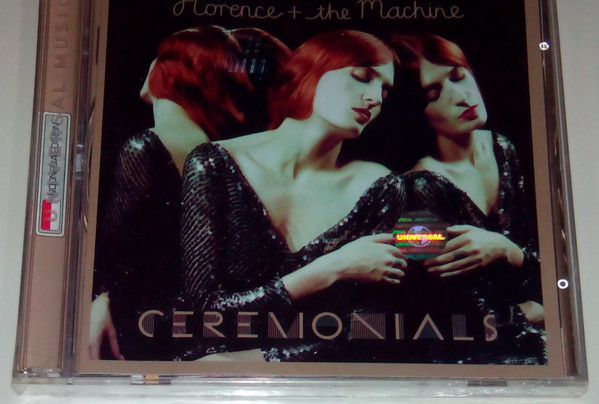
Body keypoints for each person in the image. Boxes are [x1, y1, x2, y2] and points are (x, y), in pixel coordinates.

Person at [180, 29, 407, 362]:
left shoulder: (379, 187)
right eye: (362, 77)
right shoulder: (214, 163)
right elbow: (205, 311)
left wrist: (258, 362)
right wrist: (331, 268)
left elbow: (369, 329)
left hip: (319, 378)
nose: (375, 98)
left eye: (384, 91)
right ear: (312, 70)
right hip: (206, 375)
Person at [90, 25, 291, 360]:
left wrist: (100, 298)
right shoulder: (223, 156)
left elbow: (114, 253)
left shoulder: (147, 146)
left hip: (138, 330)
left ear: (173, 71)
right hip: (199, 332)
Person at [386, 33, 545, 364]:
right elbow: (461, 323)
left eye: (459, 76)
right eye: (434, 94)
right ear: (416, 110)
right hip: (471, 362)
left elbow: (544, 271)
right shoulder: (416, 188)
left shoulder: (501, 147)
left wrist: (507, 251)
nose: (461, 96)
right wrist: (535, 310)